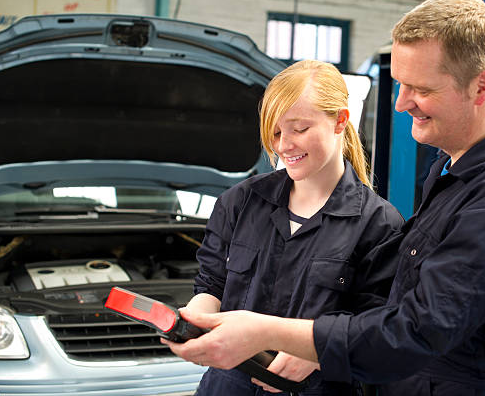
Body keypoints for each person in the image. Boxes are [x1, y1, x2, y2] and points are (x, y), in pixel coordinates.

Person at [164, 0, 485, 395]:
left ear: (482, 87)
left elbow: (409, 331)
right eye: (399, 85)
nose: (400, 104)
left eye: (420, 89)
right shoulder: (454, 172)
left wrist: (275, 334)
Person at [168, 59, 405, 396]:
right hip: (227, 386)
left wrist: (318, 353)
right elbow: (212, 285)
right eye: (276, 131)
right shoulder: (240, 202)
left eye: (299, 128)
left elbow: (377, 330)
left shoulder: (379, 225)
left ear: (340, 120)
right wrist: (193, 322)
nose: (283, 145)